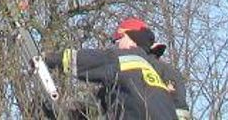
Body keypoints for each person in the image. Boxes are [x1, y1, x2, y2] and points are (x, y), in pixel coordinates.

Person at [43, 17, 191, 120]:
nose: (115, 45)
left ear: (132, 38)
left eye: (118, 40)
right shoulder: (134, 79)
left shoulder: (127, 59)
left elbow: (86, 61)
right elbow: (95, 106)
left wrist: (48, 59)